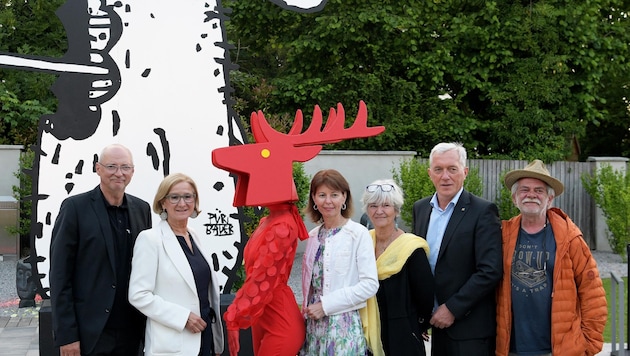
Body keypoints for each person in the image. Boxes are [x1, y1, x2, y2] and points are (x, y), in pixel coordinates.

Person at [50, 143, 152, 356]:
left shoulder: (142, 210)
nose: (119, 173)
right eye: (111, 166)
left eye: (125, 167)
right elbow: (60, 276)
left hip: (133, 331)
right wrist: (67, 336)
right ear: (98, 168)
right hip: (91, 333)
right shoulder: (74, 208)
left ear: (132, 171)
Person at [496, 160, 607, 356]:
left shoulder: (570, 238)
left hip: (558, 349)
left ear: (550, 199)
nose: (531, 195)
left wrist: (589, 343)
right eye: (524, 190)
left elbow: (592, 292)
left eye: (539, 190)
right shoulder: (501, 235)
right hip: (510, 348)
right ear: (514, 198)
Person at [411, 142, 502, 356]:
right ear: (429, 173)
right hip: (433, 324)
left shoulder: (483, 211)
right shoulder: (421, 209)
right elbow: (419, 265)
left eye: (452, 169)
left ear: (465, 172)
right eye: (438, 169)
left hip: (468, 329)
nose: (445, 176)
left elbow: (490, 270)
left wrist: (452, 308)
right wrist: (420, 313)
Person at [128, 173, 224, 356]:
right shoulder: (150, 239)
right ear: (163, 202)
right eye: (174, 197)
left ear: (195, 201)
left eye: (188, 196)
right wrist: (183, 317)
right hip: (174, 343)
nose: (182, 203)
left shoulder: (193, 235)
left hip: (204, 337)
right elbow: (138, 295)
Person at [300, 169, 379, 355]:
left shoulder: (358, 234)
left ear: (344, 197)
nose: (328, 201)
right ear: (314, 198)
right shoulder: (311, 237)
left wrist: (326, 306)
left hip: (343, 326)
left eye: (334, 195)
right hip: (313, 326)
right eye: (322, 195)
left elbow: (369, 285)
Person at [362, 179, 434, 355]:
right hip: (366, 335)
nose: (379, 211)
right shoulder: (362, 242)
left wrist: (418, 326)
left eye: (386, 205)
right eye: (373, 205)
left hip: (403, 335)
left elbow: (425, 297)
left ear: (396, 210)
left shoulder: (411, 248)